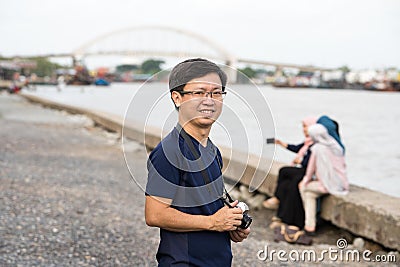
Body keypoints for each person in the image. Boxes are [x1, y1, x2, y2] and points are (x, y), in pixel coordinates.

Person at [145, 58, 250, 266]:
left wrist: (231, 224)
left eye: (216, 93)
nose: (209, 100)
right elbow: (155, 215)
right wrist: (212, 222)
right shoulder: (169, 152)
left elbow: (208, 209)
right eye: (199, 92)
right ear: (177, 98)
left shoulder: (212, 150)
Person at [263, 117, 317, 229]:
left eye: (306, 126)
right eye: (303, 127)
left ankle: (289, 219)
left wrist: (301, 160)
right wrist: (280, 143)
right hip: (304, 171)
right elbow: (297, 148)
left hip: (310, 173)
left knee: (292, 184)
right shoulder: (308, 142)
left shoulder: (316, 144)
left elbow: (312, 162)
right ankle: (281, 215)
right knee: (285, 184)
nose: (304, 130)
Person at [299, 123, 349, 234]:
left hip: (327, 185)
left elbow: (310, 169)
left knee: (303, 188)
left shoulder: (317, 149)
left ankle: (309, 225)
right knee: (310, 195)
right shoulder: (336, 146)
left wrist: (305, 182)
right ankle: (310, 225)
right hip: (342, 184)